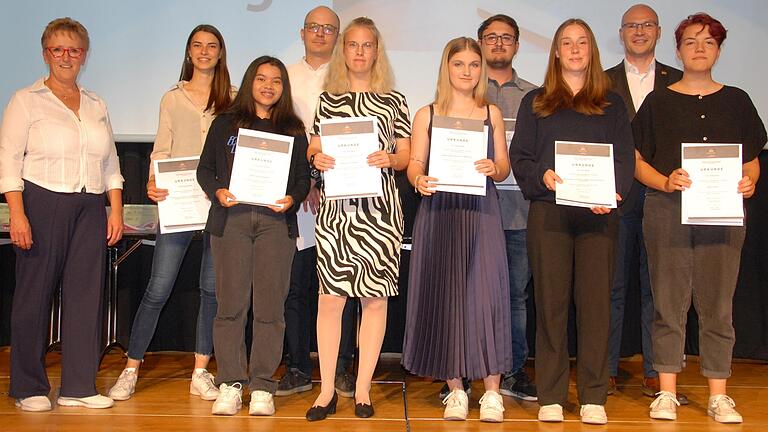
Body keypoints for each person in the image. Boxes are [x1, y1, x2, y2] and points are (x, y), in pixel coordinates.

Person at [633, 13, 765, 424]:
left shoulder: (738, 99)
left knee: (718, 305)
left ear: (719, 50)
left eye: (708, 42)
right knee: (668, 303)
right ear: (678, 49)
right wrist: (665, 181)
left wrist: (749, 181)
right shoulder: (658, 100)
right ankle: (667, 392)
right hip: (666, 211)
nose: (699, 48)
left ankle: (719, 394)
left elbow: (752, 159)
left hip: (723, 213)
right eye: (691, 41)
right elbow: (636, 159)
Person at [510, 18, 635, 425]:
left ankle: (594, 395)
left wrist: (612, 194)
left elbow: (623, 159)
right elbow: (522, 158)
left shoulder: (612, 103)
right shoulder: (537, 101)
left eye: (582, 42)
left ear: (592, 50)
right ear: (557, 51)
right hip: (549, 214)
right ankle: (551, 394)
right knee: (550, 305)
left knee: (596, 306)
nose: (575, 49)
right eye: (567, 42)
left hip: (599, 218)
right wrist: (541, 176)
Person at [0, 17, 124, 411]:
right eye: (58, 49)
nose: (66, 56)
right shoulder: (26, 100)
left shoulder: (96, 104)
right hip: (41, 202)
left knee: (86, 297)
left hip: (90, 206)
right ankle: (28, 387)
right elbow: (8, 161)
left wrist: (115, 209)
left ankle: (78, 387)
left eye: (73, 49)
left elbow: (111, 164)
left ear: (84, 56)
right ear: (45, 54)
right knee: (33, 297)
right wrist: (17, 215)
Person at [108, 23, 233, 403]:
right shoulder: (172, 98)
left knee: (212, 291)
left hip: (218, 206)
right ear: (189, 52)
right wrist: (151, 181)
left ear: (221, 52)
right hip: (177, 202)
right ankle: (131, 368)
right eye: (197, 45)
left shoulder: (233, 99)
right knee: (157, 288)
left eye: (212, 46)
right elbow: (161, 150)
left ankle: (200, 372)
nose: (204, 51)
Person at [305, 16, 411, 421]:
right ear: (342, 51)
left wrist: (391, 158)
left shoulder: (394, 100)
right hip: (337, 212)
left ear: (377, 51)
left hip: (380, 211)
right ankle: (327, 390)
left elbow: (404, 156)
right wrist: (319, 157)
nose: (360, 52)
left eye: (368, 45)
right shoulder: (327, 100)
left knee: (374, 300)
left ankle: (363, 388)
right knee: (330, 300)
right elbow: (314, 150)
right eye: (353, 45)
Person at [402, 37, 512, 423]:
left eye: (473, 65)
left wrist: (492, 169)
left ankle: (493, 393)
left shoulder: (491, 113)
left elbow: (504, 167)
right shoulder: (427, 114)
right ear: (446, 68)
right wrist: (419, 180)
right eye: (459, 64)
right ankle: (455, 391)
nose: (467, 71)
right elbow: (414, 162)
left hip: (481, 210)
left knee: (488, 298)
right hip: (440, 211)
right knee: (446, 297)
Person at [196, 56, 310, 416]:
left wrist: (293, 198)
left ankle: (262, 385)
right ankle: (231, 383)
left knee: (270, 308)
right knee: (230, 305)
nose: (268, 86)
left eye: (276, 81)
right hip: (232, 220)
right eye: (261, 79)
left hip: (275, 224)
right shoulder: (226, 123)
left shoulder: (292, 128)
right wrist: (218, 191)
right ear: (249, 82)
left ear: (283, 88)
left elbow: (303, 179)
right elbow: (205, 169)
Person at [604, 4, 686, 402]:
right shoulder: (600, 82)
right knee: (611, 287)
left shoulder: (680, 82)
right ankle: (605, 370)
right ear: (621, 33)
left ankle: (658, 372)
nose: (639, 32)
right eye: (631, 26)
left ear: (658, 31)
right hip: (615, 197)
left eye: (646, 25)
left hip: (664, 196)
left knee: (660, 288)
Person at [278, 6, 359, 399]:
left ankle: (342, 367)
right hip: (293, 195)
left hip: (342, 194)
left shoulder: (350, 78)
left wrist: (322, 180)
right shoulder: (285, 76)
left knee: (343, 286)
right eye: (315, 27)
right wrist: (306, 181)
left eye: (330, 28)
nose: (322, 34)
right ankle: (296, 366)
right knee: (295, 285)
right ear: (302, 32)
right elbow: (284, 136)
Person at [477, 13, 538, 402]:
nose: (498, 44)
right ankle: (466, 368)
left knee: (516, 296)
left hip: (520, 211)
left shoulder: (537, 96)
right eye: (491, 37)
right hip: (472, 214)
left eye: (506, 38)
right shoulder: (462, 92)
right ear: (480, 43)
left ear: (517, 45)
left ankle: (514, 371)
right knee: (470, 295)